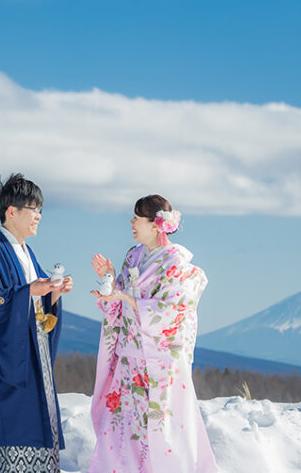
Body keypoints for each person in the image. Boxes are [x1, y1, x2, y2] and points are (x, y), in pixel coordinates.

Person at [87, 195, 218, 473]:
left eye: (137, 218)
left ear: (156, 224)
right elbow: (120, 301)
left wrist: (131, 300)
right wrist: (111, 280)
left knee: (158, 433)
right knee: (120, 430)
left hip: (158, 362)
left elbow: (176, 311)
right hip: (128, 359)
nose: (131, 223)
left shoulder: (176, 263)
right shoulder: (132, 256)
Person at [0, 173, 73, 473]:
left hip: (33, 360)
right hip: (7, 363)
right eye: (33, 210)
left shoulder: (28, 254)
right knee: (9, 429)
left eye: (41, 210)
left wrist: (53, 293)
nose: (39, 216)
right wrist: (29, 291)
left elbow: (37, 307)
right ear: (11, 212)